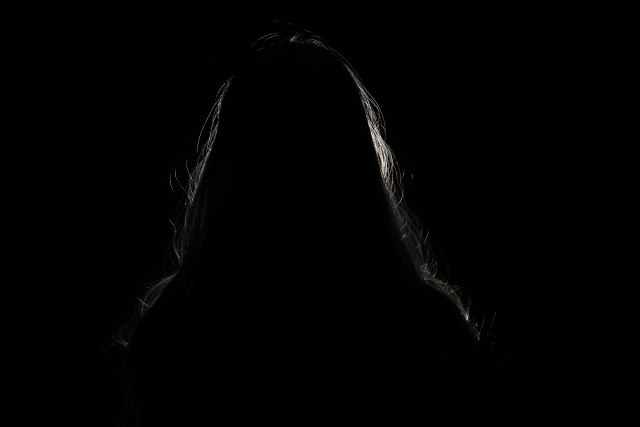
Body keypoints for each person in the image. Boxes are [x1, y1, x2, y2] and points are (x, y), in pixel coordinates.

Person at [114, 21, 508, 426]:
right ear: (232, 158)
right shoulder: (179, 326)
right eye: (262, 140)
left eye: (311, 141)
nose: (285, 166)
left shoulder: (428, 334)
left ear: (348, 159)